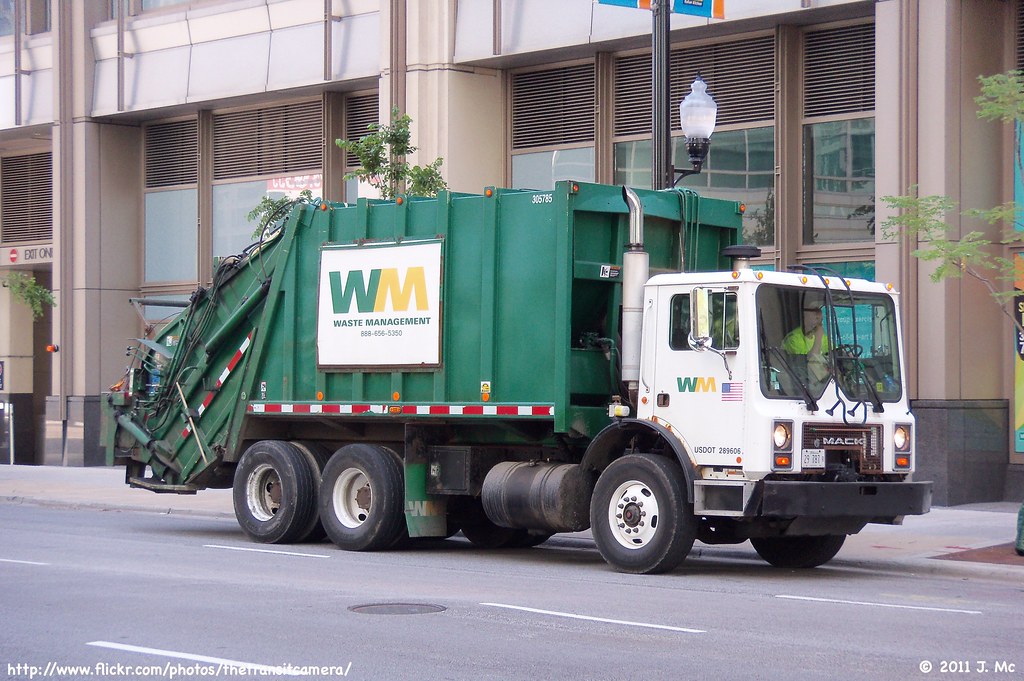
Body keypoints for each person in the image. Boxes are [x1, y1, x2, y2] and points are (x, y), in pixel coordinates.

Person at [783, 299, 830, 381]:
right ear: (805, 318)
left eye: (821, 320)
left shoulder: (823, 337)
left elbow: (832, 350)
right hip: (800, 380)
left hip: (820, 380)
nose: (820, 324)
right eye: (816, 319)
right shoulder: (793, 339)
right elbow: (807, 363)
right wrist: (818, 338)